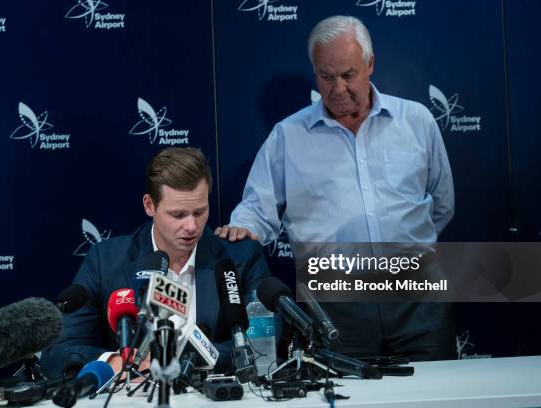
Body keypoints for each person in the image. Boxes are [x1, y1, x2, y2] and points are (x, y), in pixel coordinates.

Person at [216, 15, 456, 360]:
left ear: (370, 64)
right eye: (326, 77)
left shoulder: (417, 121)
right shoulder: (288, 136)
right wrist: (244, 228)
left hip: (418, 301)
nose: (338, 88)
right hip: (334, 307)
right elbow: (256, 210)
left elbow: (441, 204)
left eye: (348, 75)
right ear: (315, 72)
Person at [41, 147, 270, 378]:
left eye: (199, 212)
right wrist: (116, 361)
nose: (191, 226)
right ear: (150, 205)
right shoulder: (105, 261)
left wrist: (184, 361)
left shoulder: (242, 257)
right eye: (178, 215)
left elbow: (263, 347)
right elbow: (59, 352)